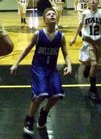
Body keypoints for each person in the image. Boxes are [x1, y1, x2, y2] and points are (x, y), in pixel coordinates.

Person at [10, 7, 72, 135]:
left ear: (57, 18)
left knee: (57, 95)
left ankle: (44, 113)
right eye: (49, 14)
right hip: (39, 68)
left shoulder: (61, 36)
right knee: (41, 94)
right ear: (44, 20)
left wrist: (69, 66)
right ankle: (29, 119)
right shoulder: (38, 35)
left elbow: (65, 53)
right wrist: (16, 63)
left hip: (52, 69)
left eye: (53, 14)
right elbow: (26, 49)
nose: (52, 15)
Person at [70, 0, 101, 104]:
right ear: (88, 3)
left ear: (98, 3)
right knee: (95, 65)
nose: (93, 1)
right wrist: (74, 37)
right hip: (89, 42)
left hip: (99, 42)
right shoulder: (85, 13)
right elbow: (80, 26)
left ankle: (87, 66)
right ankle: (93, 90)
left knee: (97, 67)